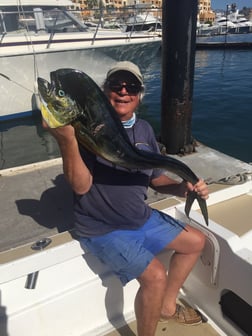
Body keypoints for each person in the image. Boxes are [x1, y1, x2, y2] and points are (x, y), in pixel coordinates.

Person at [42, 61, 209, 336]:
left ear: (139, 95)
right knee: (155, 277)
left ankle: (167, 306)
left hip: (139, 217)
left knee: (196, 242)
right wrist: (67, 140)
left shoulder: (144, 130)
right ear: (104, 92)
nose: (123, 91)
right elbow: (81, 187)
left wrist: (182, 188)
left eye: (131, 86)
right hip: (102, 229)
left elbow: (155, 179)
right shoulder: (88, 130)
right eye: (115, 85)